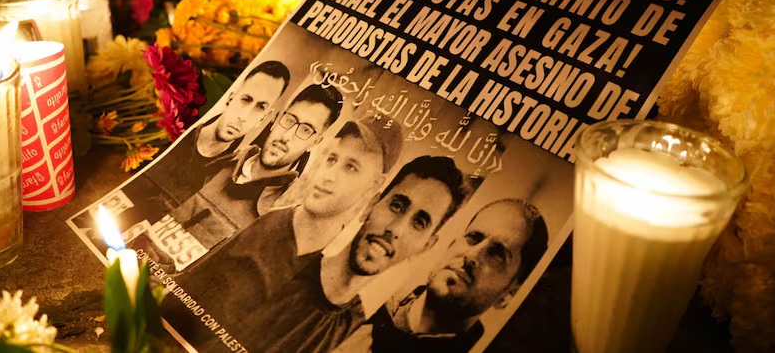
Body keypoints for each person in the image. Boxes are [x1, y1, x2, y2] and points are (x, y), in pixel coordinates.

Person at [164, 116, 403, 337]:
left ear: (374, 186)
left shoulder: (336, 274)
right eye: (332, 159)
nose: (329, 175)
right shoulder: (268, 221)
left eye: (351, 167)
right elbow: (187, 286)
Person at [226, 155, 468, 353]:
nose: (396, 229)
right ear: (371, 205)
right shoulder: (272, 264)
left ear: (426, 246)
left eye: (419, 223)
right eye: (397, 206)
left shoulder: (361, 332)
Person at [138, 83, 344, 274]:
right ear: (276, 119)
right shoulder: (223, 159)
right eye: (289, 120)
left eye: (306, 130)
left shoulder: (281, 213)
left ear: (314, 142)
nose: (286, 136)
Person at [366, 198, 549, 352]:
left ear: (507, 296)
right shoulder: (371, 301)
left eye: (497, 254)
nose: (471, 255)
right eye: (474, 238)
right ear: (451, 245)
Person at [144, 60, 290, 206]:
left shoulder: (231, 175)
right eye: (245, 100)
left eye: (260, 107)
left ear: (263, 118)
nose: (244, 116)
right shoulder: (177, 126)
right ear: (230, 98)